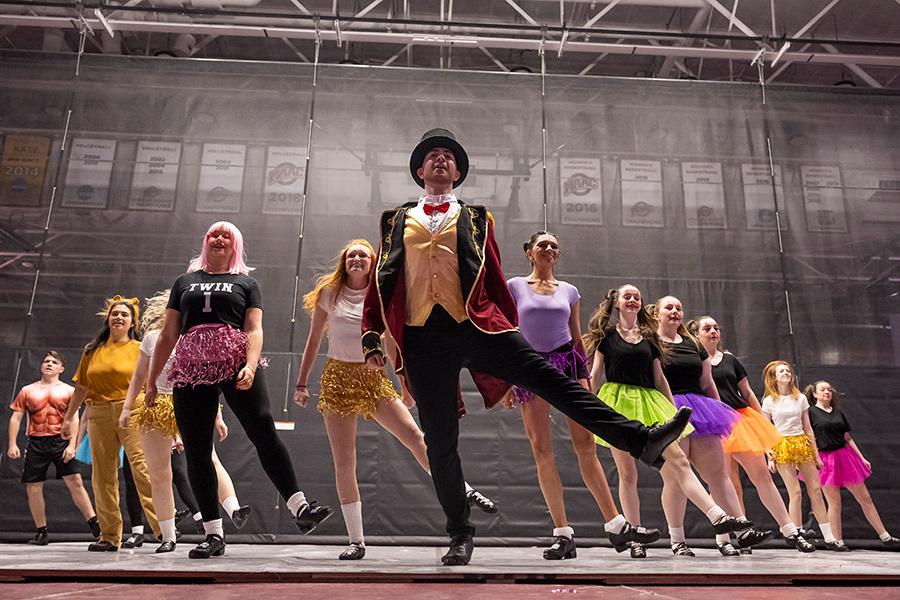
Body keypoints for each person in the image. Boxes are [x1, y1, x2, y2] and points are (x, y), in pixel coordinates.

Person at [361, 128, 704, 566]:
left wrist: (508, 333)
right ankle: (460, 533)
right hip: (424, 338)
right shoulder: (395, 220)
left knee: (556, 382)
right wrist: (373, 338)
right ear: (420, 170)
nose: (441, 160)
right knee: (440, 441)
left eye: (448, 156)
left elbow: (492, 280)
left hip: (478, 325)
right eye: (432, 156)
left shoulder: (476, 217)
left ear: (458, 171)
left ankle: (642, 441)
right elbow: (381, 281)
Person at [295, 239, 497, 561]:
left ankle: (465, 490)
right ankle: (356, 540)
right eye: (351, 254)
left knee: (416, 438)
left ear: (373, 262)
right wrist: (302, 383)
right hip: (337, 379)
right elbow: (314, 340)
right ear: (344, 262)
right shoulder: (328, 294)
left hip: (373, 377)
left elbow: (390, 341)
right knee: (345, 461)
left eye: (364, 254)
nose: (357, 258)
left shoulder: (380, 295)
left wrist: (404, 385)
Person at [145, 221, 332, 559]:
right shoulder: (184, 282)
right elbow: (168, 334)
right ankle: (213, 534)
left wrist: (249, 363)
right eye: (213, 234)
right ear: (205, 242)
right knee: (198, 448)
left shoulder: (246, 283)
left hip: (235, 359)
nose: (218, 238)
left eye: (225, 235)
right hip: (191, 363)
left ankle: (300, 508)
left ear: (235, 245)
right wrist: (151, 383)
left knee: (262, 428)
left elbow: (254, 328)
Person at [504, 231, 660, 559]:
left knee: (586, 446)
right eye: (542, 245)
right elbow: (506, 334)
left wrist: (584, 376)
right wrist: (505, 380)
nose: (549, 249)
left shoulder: (570, 291)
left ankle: (616, 525)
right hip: (528, 368)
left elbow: (576, 339)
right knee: (542, 450)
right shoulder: (514, 286)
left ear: (558, 255)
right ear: (529, 251)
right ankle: (563, 534)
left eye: (554, 246)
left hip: (567, 365)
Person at [585, 285, 750, 559]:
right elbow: (595, 374)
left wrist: (674, 415)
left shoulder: (650, 338)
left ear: (641, 303)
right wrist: (585, 407)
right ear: (616, 302)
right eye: (627, 296)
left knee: (680, 463)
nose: (633, 299)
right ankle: (635, 534)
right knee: (628, 474)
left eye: (637, 296)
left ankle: (717, 515)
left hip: (651, 402)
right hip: (618, 402)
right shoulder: (607, 336)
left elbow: (660, 378)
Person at [120, 290, 251, 553]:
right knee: (159, 474)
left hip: (191, 402)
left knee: (209, 459)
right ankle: (168, 536)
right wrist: (126, 408)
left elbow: (208, 381)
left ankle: (233, 509)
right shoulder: (152, 338)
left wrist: (218, 416)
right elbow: (139, 377)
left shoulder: (198, 339)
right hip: (156, 405)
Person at [653, 297, 771, 557]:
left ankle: (741, 531)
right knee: (674, 480)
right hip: (669, 411)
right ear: (656, 314)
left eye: (679, 308)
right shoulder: (652, 343)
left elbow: (707, 383)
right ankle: (677, 540)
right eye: (668, 308)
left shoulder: (694, 344)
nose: (675, 312)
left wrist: (721, 415)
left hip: (702, 410)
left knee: (718, 475)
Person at [691, 316, 814, 552]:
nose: (714, 331)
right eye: (707, 328)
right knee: (724, 482)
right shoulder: (694, 361)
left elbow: (747, 394)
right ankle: (726, 539)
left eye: (716, 327)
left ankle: (791, 531)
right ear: (696, 333)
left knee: (762, 477)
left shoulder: (730, 360)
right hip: (713, 422)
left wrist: (763, 426)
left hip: (739, 420)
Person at [60, 296, 161, 551]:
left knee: (141, 467)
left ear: (132, 322)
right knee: (102, 475)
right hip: (98, 413)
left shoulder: (141, 347)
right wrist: (69, 417)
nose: (118, 317)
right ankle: (109, 536)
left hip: (133, 410)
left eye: (124, 315)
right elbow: (81, 386)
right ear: (108, 318)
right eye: (115, 313)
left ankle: (164, 529)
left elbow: (153, 383)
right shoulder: (92, 350)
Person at [7, 351, 99, 545]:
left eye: (54, 362)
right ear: (41, 366)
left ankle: (95, 525)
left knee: (75, 481)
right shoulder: (27, 390)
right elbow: (16, 417)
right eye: (46, 360)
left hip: (61, 440)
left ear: (61, 369)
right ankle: (42, 532)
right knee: (33, 487)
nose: (49, 364)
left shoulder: (68, 391)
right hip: (36, 441)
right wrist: (12, 443)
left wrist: (72, 445)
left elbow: (74, 418)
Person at [804, 380, 899, 551]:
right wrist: (813, 458)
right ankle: (837, 541)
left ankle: (885, 536)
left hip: (845, 457)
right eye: (822, 390)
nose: (827, 392)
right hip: (825, 459)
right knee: (834, 503)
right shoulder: (810, 413)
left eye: (829, 389)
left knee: (866, 498)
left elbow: (847, 437)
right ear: (815, 394)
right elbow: (808, 438)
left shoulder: (838, 412)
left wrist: (861, 457)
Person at [761, 360, 836, 546]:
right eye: (782, 371)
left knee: (816, 490)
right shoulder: (769, 401)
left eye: (788, 370)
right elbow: (765, 430)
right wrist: (769, 454)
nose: (786, 373)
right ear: (773, 377)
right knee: (795, 492)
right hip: (782, 445)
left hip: (801, 442)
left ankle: (829, 536)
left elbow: (808, 427)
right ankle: (796, 534)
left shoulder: (800, 397)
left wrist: (816, 455)